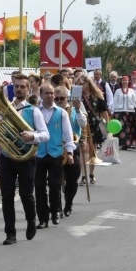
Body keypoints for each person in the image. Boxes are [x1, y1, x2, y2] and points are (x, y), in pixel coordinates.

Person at [0, 74, 49, 245]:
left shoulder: (33, 111)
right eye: (16, 86)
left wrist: (32, 136)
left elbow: (45, 134)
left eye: (22, 86)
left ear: (28, 90)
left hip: (27, 158)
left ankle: (31, 220)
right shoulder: (4, 109)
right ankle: (10, 233)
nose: (19, 89)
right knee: (6, 196)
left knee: (26, 194)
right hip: (7, 157)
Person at [35, 83, 75, 229]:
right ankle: (42, 218)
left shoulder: (61, 112)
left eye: (52, 93)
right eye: (47, 93)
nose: (50, 96)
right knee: (39, 187)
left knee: (55, 184)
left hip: (55, 152)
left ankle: (56, 211)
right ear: (41, 95)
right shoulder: (35, 111)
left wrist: (70, 152)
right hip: (39, 154)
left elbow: (67, 133)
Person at [55, 86, 85, 217]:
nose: (59, 101)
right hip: (55, 149)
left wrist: (78, 110)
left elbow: (83, 123)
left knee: (73, 179)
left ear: (67, 98)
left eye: (62, 98)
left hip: (72, 148)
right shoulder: (52, 111)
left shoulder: (74, 109)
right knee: (54, 181)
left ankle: (69, 202)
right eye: (57, 99)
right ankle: (58, 207)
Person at [81, 77, 110, 183]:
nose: (81, 86)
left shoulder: (97, 95)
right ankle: (83, 176)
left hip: (94, 125)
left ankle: (91, 174)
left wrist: (107, 124)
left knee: (92, 151)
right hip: (82, 125)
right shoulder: (77, 95)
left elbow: (103, 111)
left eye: (82, 83)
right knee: (84, 150)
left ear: (88, 84)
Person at [113, 76, 136, 150]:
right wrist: (112, 110)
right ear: (121, 81)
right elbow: (114, 101)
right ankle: (124, 144)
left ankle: (130, 143)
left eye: (126, 80)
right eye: (123, 80)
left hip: (130, 111)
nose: (124, 81)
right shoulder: (118, 91)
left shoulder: (131, 91)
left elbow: (135, 101)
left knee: (130, 127)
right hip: (120, 111)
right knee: (122, 128)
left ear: (128, 81)